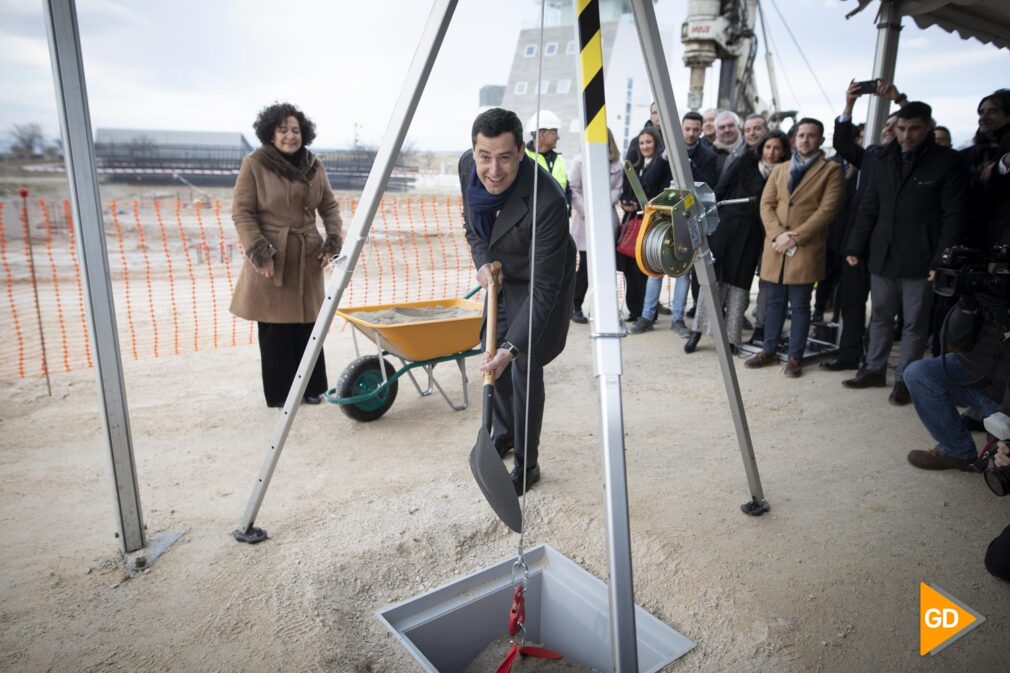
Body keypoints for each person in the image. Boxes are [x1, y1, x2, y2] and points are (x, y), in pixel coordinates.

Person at [459, 107, 576, 495]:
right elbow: (472, 226)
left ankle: (528, 464)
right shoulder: (466, 168)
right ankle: (504, 434)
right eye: (485, 156)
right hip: (500, 273)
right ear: (474, 151)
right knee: (491, 355)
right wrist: (482, 263)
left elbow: (544, 288)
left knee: (521, 365)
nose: (493, 169)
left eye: (505, 157)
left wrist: (512, 347)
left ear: (521, 152)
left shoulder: (546, 201)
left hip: (539, 275)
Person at [843, 102, 966, 404]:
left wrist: (941, 260)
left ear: (927, 128)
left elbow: (954, 215)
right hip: (882, 254)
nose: (906, 135)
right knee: (881, 316)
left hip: (922, 258)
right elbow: (869, 205)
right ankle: (874, 369)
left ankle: (906, 381)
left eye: (913, 129)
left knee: (914, 323)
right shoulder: (883, 158)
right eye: (901, 128)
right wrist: (855, 245)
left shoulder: (947, 161)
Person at [230, 102, 343, 408]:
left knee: (308, 325)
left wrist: (332, 242)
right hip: (272, 259)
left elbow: (329, 207)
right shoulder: (254, 164)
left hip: (307, 256)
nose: (290, 136)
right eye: (283, 130)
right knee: (276, 328)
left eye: (295, 130)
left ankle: (311, 388)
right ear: (271, 133)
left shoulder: (314, 165)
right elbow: (242, 212)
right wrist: (259, 252)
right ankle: (281, 395)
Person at [744, 118, 844, 377]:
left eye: (812, 136)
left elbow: (827, 210)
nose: (806, 140)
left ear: (821, 140)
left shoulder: (830, 170)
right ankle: (768, 349)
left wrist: (794, 237)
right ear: (794, 139)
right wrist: (778, 234)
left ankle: (794, 358)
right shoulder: (781, 169)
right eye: (801, 135)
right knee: (774, 303)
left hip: (805, 247)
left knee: (800, 306)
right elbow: (766, 204)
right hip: (776, 247)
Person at [819, 80, 904, 371]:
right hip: (856, 243)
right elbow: (842, 143)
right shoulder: (872, 155)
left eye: (898, 127)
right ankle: (848, 356)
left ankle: (875, 363)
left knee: (883, 310)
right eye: (887, 128)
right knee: (850, 303)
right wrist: (849, 105)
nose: (890, 131)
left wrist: (898, 100)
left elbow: (915, 128)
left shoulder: (911, 160)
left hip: (891, 246)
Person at [686, 130, 790, 352]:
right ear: (762, 148)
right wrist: (709, 221)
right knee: (714, 281)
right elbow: (720, 190)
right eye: (768, 147)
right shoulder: (744, 162)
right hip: (727, 227)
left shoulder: (783, 173)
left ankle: (732, 338)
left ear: (783, 152)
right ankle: (698, 331)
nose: (771, 152)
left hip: (753, 234)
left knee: (739, 285)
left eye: (777, 148)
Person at [569, 129, 623, 324]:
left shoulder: (617, 164)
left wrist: (603, 204)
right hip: (585, 222)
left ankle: (602, 308)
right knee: (584, 267)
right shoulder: (579, 161)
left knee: (607, 268)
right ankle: (575, 306)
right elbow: (573, 189)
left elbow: (618, 188)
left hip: (607, 220)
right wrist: (589, 210)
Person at [622, 126, 672, 333]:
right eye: (641, 143)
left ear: (657, 144)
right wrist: (628, 202)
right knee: (630, 268)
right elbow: (630, 189)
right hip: (635, 221)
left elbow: (653, 187)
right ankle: (637, 310)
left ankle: (647, 313)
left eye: (649, 142)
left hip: (654, 223)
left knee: (649, 268)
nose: (645, 146)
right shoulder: (636, 165)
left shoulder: (661, 163)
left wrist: (660, 159)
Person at [525, 109, 570, 206]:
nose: (558, 137)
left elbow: (567, 190)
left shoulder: (559, 159)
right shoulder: (524, 158)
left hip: (558, 216)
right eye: (554, 132)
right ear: (541, 134)